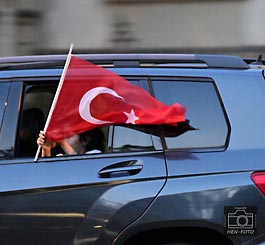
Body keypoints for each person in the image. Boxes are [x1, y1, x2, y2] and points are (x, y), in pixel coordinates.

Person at [36, 128, 105, 157]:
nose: (65, 139)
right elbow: (47, 170)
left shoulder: (95, 155)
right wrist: (46, 149)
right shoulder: (61, 157)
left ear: (85, 140)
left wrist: (62, 142)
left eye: (69, 136)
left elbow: (80, 167)